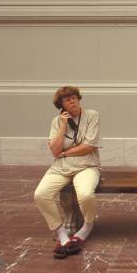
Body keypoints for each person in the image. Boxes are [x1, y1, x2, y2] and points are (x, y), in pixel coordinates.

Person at [34, 86, 101, 259]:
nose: (72, 100)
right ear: (61, 105)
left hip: (86, 166)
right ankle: (62, 234)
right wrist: (63, 126)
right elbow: (54, 150)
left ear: (78, 98)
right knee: (41, 194)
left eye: (74, 97)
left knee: (85, 194)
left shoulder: (92, 115)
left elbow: (89, 146)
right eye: (67, 99)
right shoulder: (57, 121)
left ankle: (87, 226)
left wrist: (64, 153)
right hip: (60, 168)